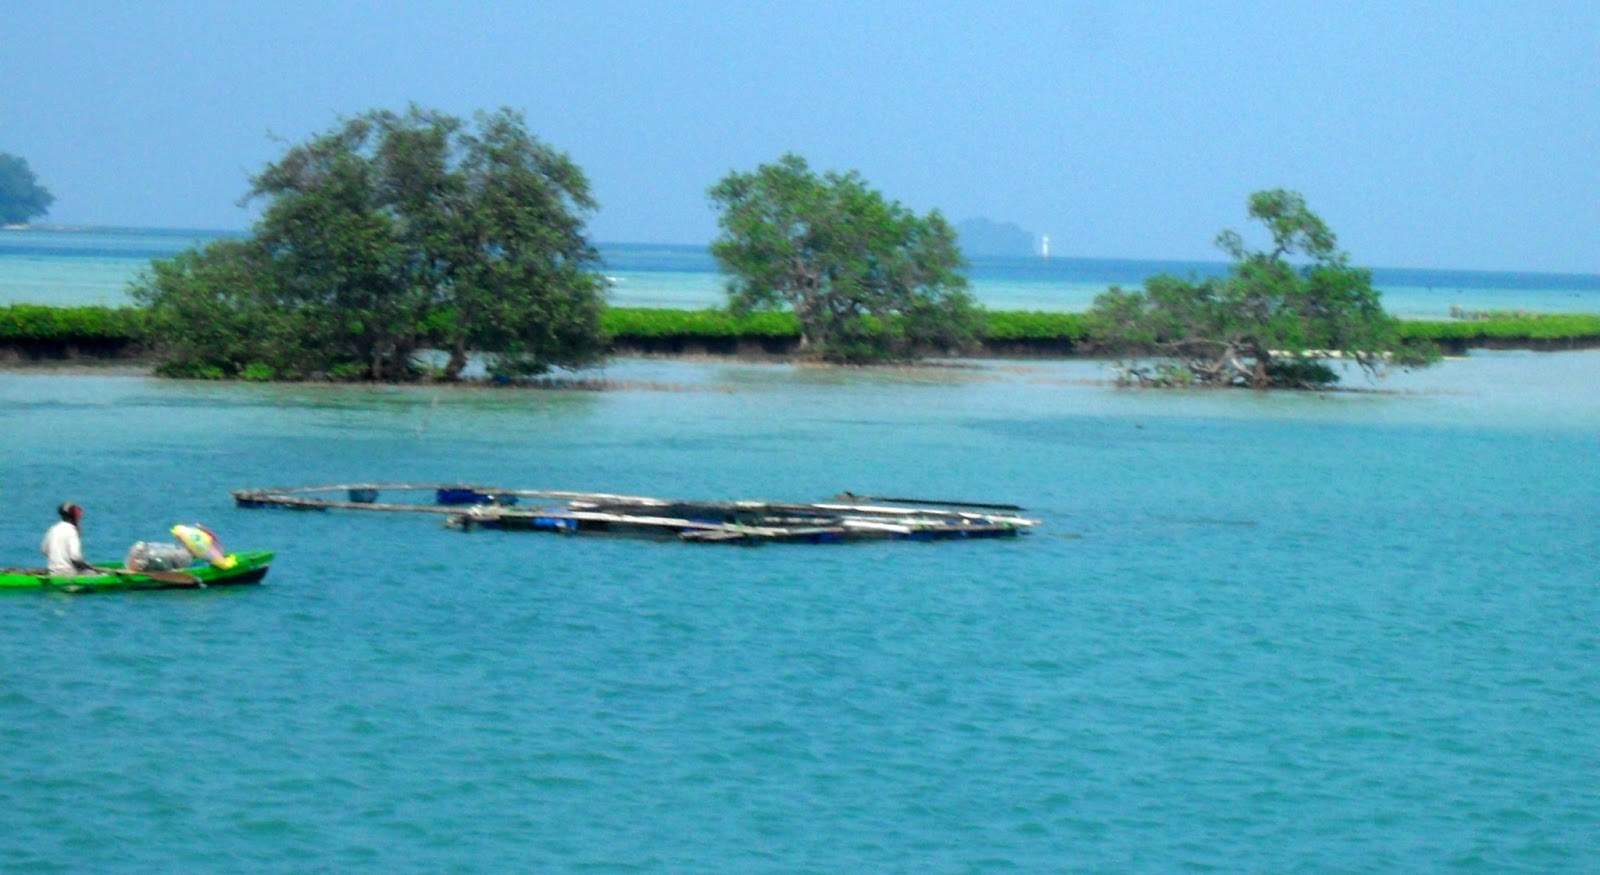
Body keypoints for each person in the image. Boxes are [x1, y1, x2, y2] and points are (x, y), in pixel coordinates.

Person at [41, 503, 94, 577]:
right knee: (93, 574)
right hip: (68, 572)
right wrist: (87, 567)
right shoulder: (72, 531)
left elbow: (44, 550)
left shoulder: (53, 529)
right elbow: (75, 556)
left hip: (53, 571)